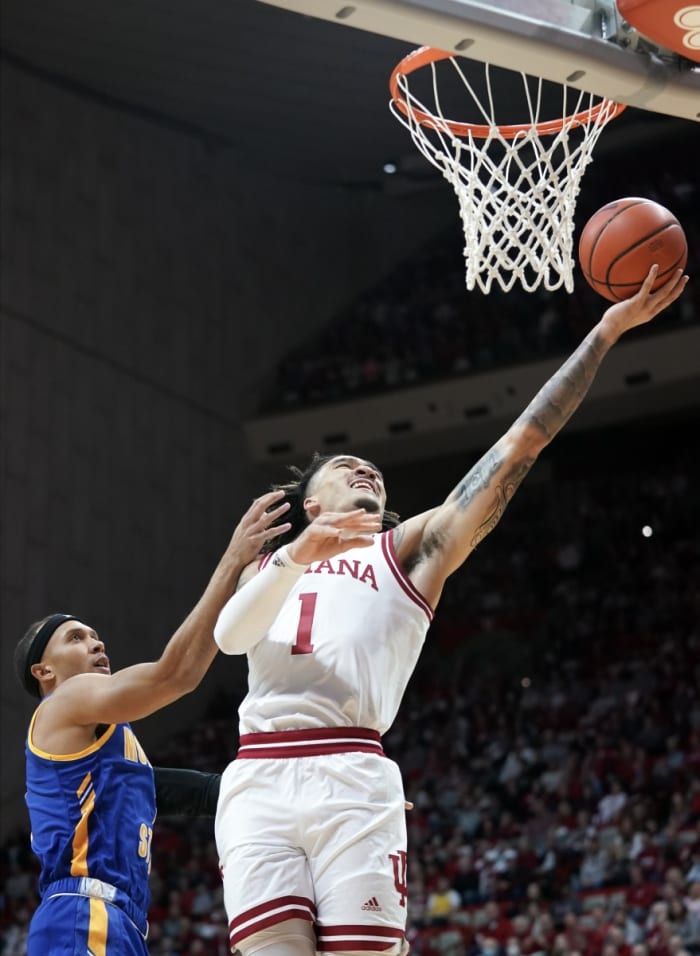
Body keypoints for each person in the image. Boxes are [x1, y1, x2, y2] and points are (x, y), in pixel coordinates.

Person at [212, 266, 688, 956]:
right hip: (259, 773)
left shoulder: (408, 555)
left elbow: (521, 443)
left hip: (354, 772)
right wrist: (294, 556)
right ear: (311, 503)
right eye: (347, 467)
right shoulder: (265, 568)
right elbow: (231, 639)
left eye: (375, 471)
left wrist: (606, 332)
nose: (367, 470)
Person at [13, 490, 291, 956]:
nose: (96, 644)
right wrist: (231, 564)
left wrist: (323, 789)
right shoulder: (65, 701)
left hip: (118, 922)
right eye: (76, 638)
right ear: (44, 671)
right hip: (82, 915)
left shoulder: (109, 754)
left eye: (96, 636)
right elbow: (176, 675)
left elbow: (203, 792)